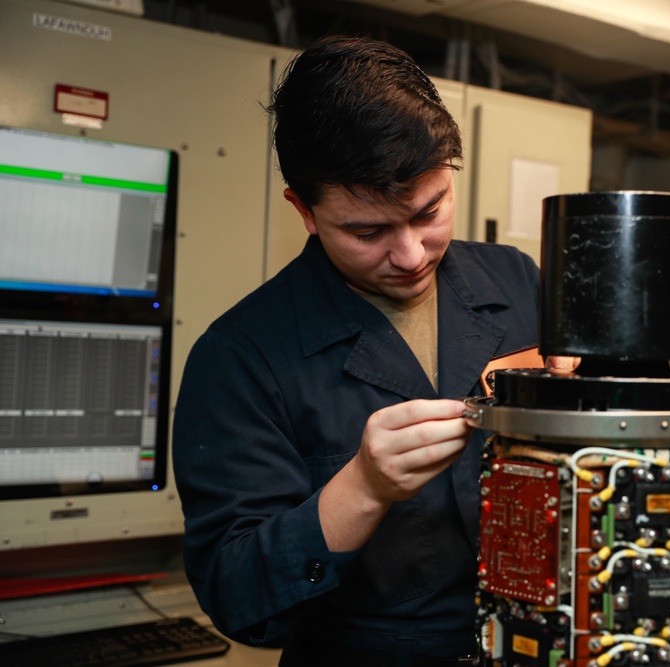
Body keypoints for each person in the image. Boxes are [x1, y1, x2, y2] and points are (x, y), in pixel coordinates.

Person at [172, 35, 555, 666]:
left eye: (429, 212)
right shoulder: (241, 357)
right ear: (305, 210)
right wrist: (363, 488)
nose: (410, 255)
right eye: (367, 231)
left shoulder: (517, 284)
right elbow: (240, 601)